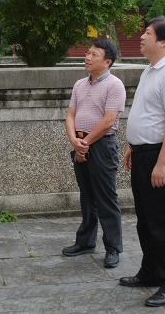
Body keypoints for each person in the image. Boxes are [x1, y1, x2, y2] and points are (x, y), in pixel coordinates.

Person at [118, 17, 165, 308]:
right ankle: (151, 271)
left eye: (147, 33)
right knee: (147, 219)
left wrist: (162, 163)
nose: (141, 37)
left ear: (163, 41)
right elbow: (148, 113)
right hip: (143, 153)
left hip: (162, 155)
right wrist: (133, 146)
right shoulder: (151, 69)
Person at [62, 38, 126, 269]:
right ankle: (86, 241)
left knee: (106, 198)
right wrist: (74, 141)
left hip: (102, 146)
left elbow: (109, 120)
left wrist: (85, 143)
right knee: (87, 196)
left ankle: (113, 248)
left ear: (107, 61)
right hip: (81, 143)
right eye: (87, 53)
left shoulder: (114, 85)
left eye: (94, 54)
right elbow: (70, 114)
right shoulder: (80, 84)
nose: (87, 57)